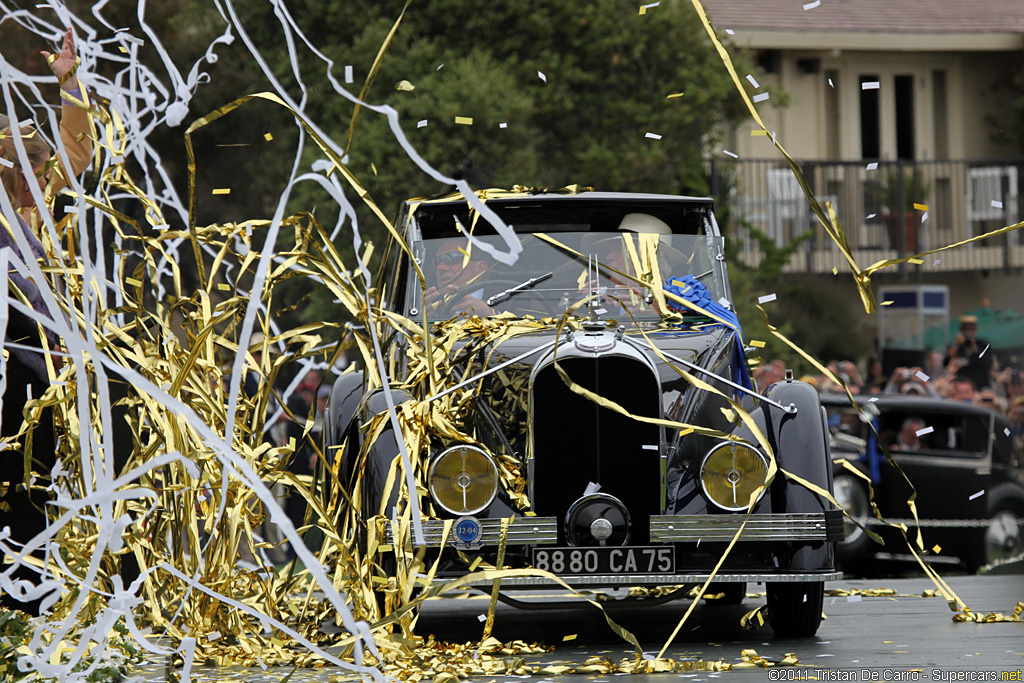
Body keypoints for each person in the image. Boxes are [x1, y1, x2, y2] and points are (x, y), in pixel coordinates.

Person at [0, 28, 91, 616]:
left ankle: (27, 596)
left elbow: (78, 150)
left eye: (33, 161)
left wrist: (69, 82)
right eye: (17, 160)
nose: (28, 171)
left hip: (38, 369)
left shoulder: (40, 210)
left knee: (31, 483)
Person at [424, 238, 495, 316]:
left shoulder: (506, 300)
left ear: (480, 269)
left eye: (451, 258)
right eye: (437, 261)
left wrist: (489, 315)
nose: (440, 267)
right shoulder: (430, 307)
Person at [948, 315, 992, 390]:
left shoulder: (983, 345)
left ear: (975, 331)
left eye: (971, 330)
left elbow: (986, 364)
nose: (968, 333)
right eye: (965, 330)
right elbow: (947, 363)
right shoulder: (956, 346)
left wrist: (974, 347)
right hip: (962, 388)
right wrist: (956, 345)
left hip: (980, 386)